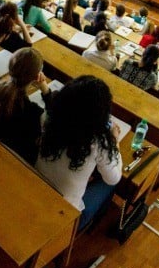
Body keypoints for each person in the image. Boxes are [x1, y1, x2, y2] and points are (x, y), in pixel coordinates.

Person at [37, 76, 122, 231]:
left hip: (38, 187)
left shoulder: (49, 117)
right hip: (64, 213)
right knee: (109, 183)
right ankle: (93, 224)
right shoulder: (98, 142)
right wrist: (115, 143)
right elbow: (113, 179)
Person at [0, 48, 49, 164]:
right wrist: (46, 91)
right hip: (8, 160)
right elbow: (55, 116)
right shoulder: (32, 112)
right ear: (37, 77)